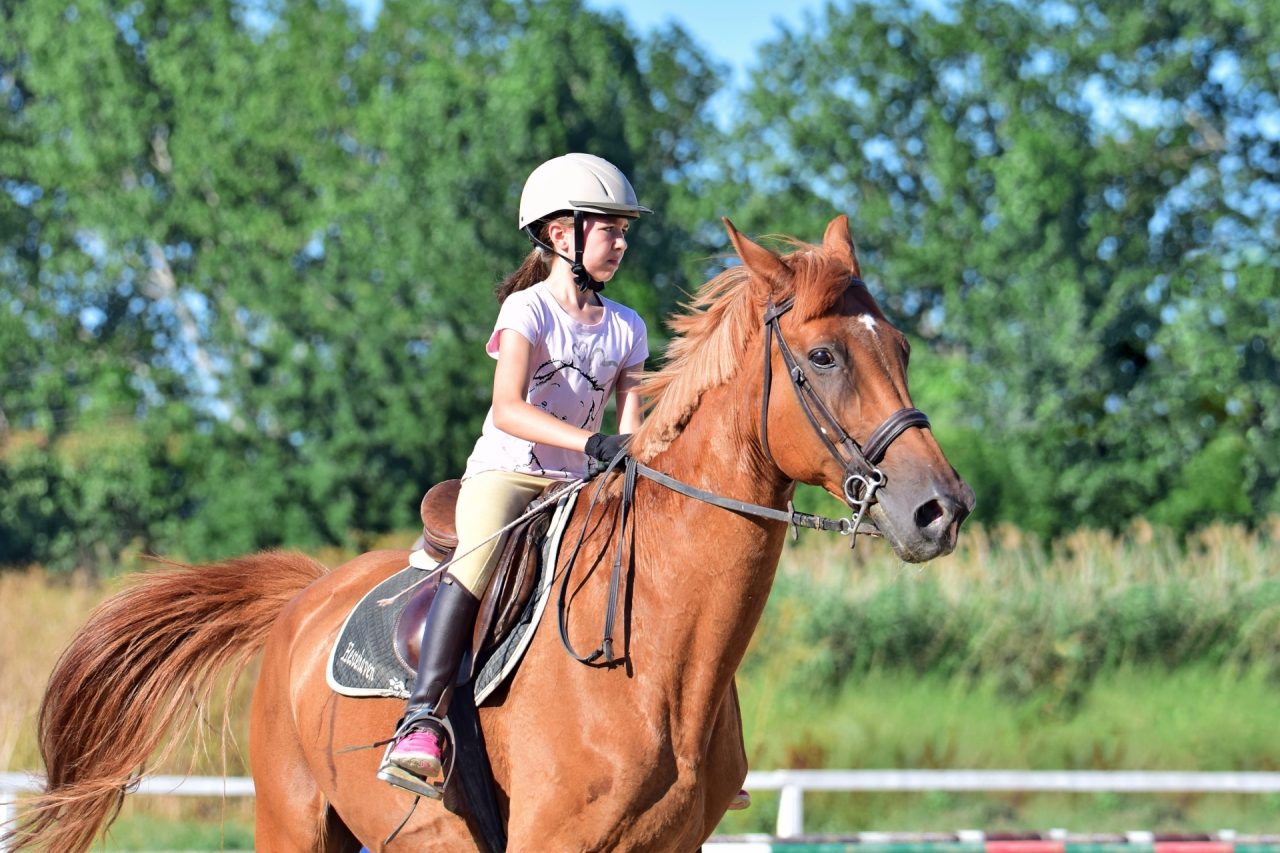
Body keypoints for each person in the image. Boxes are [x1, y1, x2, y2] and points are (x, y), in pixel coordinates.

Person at [377, 153, 651, 798]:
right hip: (510, 475)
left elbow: (631, 426)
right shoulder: (526, 310)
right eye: (609, 228)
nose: (620, 242)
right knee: (474, 566)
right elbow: (508, 407)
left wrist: (636, 456)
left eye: (624, 231)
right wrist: (595, 442)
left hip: (582, 485)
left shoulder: (629, 327)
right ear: (562, 235)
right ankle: (419, 721)